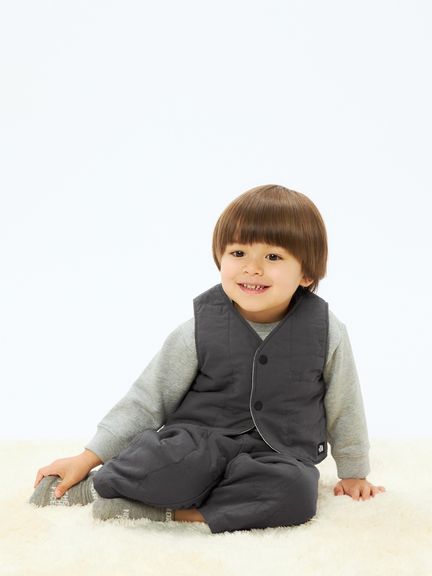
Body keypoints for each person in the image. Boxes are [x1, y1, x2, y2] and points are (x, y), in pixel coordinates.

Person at [30, 184, 385, 533]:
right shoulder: (199, 328)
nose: (252, 268)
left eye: (273, 257)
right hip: (198, 443)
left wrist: (354, 472)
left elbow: (345, 403)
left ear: (306, 274)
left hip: (277, 456)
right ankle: (97, 488)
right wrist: (87, 458)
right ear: (220, 258)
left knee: (297, 492)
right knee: (170, 463)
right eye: (238, 253)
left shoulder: (326, 331)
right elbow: (148, 399)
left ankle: (173, 515)